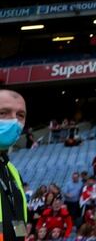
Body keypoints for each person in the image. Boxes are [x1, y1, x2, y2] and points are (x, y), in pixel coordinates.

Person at [0, 90, 29, 241]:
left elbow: (16, 212)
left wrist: (21, 237)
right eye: (3, 113)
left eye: (20, 115)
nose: (14, 121)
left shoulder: (12, 170)